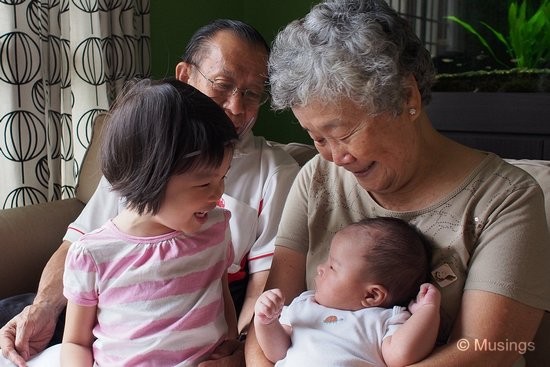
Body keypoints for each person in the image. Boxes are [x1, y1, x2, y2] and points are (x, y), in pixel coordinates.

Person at [245, 0, 550, 366]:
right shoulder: (317, 179)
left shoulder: (506, 198)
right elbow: (268, 329)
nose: (334, 157)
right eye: (317, 138)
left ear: (407, 97)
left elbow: (485, 352)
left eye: (342, 133)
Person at [0, 19, 300, 367]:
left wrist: (240, 347)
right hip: (110, 297)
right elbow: (78, 245)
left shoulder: (274, 170)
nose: (236, 107)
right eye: (223, 84)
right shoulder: (148, 150)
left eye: (251, 93)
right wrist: (44, 307)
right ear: (186, 76)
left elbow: (264, 285)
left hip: (198, 307)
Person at [61, 78, 238, 365]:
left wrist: (232, 344)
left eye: (223, 177)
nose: (219, 193)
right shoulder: (93, 255)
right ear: (149, 178)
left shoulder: (216, 228)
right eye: (205, 183)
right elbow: (75, 342)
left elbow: (222, 297)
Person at [254, 217, 441, 366]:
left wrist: (427, 311)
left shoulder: (385, 319)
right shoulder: (303, 305)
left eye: (332, 266)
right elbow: (276, 352)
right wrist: (267, 322)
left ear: (372, 295)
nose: (320, 268)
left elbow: (401, 355)